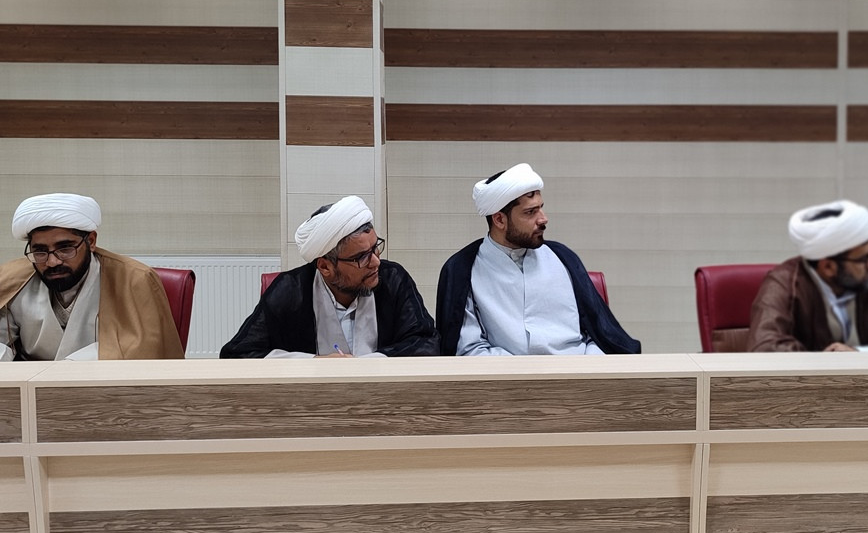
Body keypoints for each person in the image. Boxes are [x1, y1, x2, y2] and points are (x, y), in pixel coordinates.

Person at [435, 162, 640, 356]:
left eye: (541, 207)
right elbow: (469, 350)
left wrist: (588, 368)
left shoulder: (562, 257)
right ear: (499, 220)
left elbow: (599, 335)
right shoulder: (462, 270)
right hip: (507, 377)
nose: (543, 219)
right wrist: (528, 374)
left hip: (579, 371)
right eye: (530, 212)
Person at [221, 196, 439, 358]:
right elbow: (237, 354)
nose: (376, 262)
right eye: (362, 257)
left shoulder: (393, 279)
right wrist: (314, 363)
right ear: (325, 267)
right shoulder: (290, 291)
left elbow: (427, 343)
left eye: (375, 248)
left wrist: (369, 364)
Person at [0, 193, 183, 361]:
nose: (52, 261)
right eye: (40, 251)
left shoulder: (135, 280)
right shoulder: (13, 281)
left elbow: (144, 353)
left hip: (105, 381)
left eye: (65, 249)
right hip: (30, 383)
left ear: (91, 241)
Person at [747, 199, 868, 352]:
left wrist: (861, 353)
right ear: (828, 267)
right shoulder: (784, 285)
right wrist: (827, 361)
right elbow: (764, 348)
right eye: (863, 258)